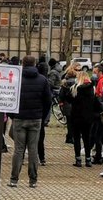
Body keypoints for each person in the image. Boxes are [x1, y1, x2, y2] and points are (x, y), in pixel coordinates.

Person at [8, 56, 53, 188]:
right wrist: (42, 116)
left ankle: (13, 179)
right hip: (35, 118)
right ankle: (33, 180)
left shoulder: (16, 79)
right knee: (33, 150)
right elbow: (48, 101)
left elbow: (10, 98)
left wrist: (13, 115)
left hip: (19, 118)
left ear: (22, 64)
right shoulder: (42, 80)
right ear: (35, 64)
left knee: (18, 150)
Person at [63, 69, 97, 167]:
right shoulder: (92, 89)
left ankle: (78, 159)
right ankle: (88, 159)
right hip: (88, 117)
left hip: (76, 117)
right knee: (87, 138)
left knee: (77, 138)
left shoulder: (75, 88)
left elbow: (68, 99)